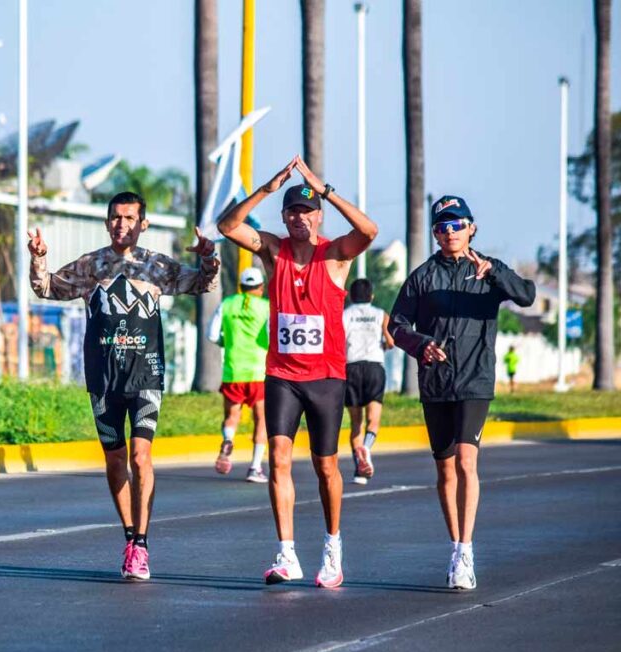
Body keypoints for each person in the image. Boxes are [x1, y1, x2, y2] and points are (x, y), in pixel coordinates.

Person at [29, 191, 219, 581]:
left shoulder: (156, 265)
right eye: (116, 217)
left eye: (130, 218)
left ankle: (143, 544)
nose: (122, 224)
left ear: (142, 224)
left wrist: (208, 257)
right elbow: (47, 288)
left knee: (140, 457)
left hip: (146, 375)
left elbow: (202, 283)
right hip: (103, 377)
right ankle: (130, 537)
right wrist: (38, 258)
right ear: (107, 222)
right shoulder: (91, 265)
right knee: (115, 460)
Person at [218, 155, 378, 589]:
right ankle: (287, 553)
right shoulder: (274, 251)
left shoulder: (335, 255)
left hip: (326, 377)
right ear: (285, 217)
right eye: (292, 211)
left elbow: (369, 231)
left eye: (308, 211)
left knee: (326, 466)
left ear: (318, 216)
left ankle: (332, 546)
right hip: (282, 375)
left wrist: (325, 190)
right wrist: (266, 190)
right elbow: (228, 226)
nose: (300, 218)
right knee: (279, 459)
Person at [389, 195, 535, 590]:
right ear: (435, 234)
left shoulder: (488, 270)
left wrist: (496, 275)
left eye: (457, 225)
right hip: (436, 382)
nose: (450, 232)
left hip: (475, 380)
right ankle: (455, 545)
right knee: (445, 467)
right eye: (442, 226)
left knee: (467, 462)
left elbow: (526, 295)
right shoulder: (422, 276)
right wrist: (421, 344)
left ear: (472, 228)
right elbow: (397, 325)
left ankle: (466, 552)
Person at [207, 266, 270, 483]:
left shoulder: (227, 304)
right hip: (258, 372)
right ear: (261, 287)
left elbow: (212, 335)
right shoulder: (266, 307)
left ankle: (228, 440)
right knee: (261, 419)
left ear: (241, 287)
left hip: (233, 371)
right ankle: (255, 467)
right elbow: (270, 335)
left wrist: (226, 342)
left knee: (231, 416)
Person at [342, 278, 395, 485]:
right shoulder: (381, 315)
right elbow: (391, 342)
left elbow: (338, 341)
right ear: (371, 296)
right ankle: (367, 447)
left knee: (356, 423)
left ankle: (359, 471)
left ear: (351, 296)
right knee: (373, 419)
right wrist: (383, 345)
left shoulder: (345, 315)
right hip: (374, 368)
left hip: (351, 368)